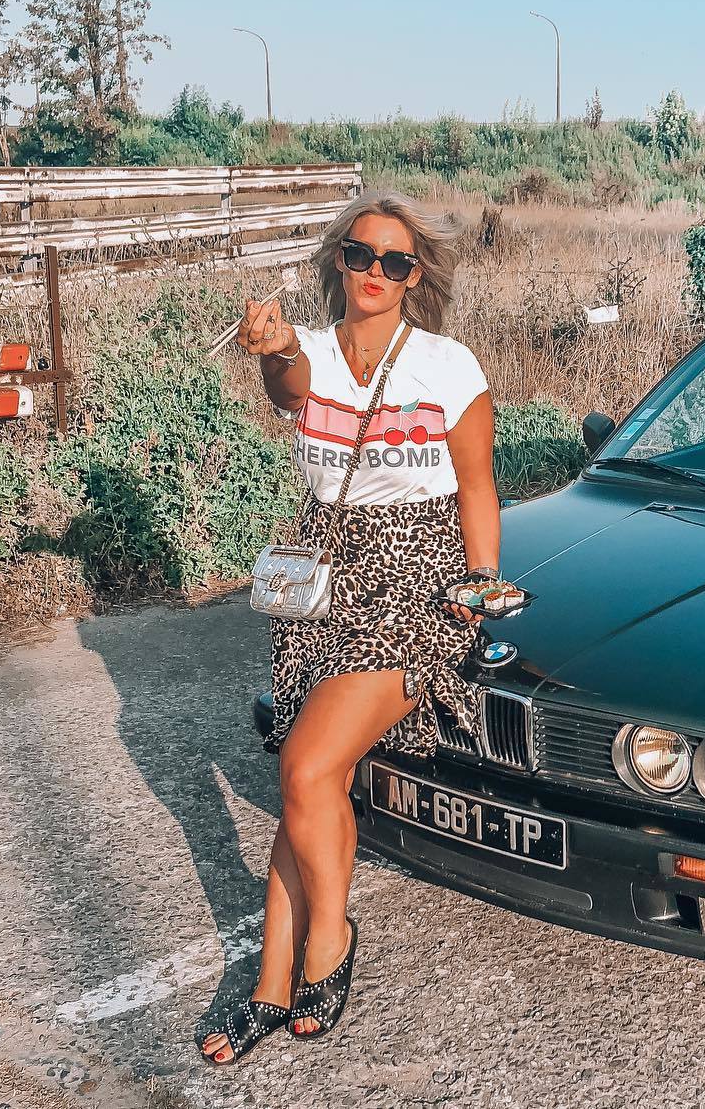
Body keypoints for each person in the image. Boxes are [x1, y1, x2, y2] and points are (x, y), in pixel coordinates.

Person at [199, 191, 498, 1065]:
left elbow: (478, 487)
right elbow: (288, 380)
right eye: (360, 254)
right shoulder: (314, 351)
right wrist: (275, 345)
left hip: (417, 579)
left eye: (394, 261)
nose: (375, 271)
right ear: (340, 260)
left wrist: (481, 584)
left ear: (414, 276)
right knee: (308, 782)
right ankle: (270, 980)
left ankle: (330, 940)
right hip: (323, 576)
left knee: (306, 764)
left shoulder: (448, 366)